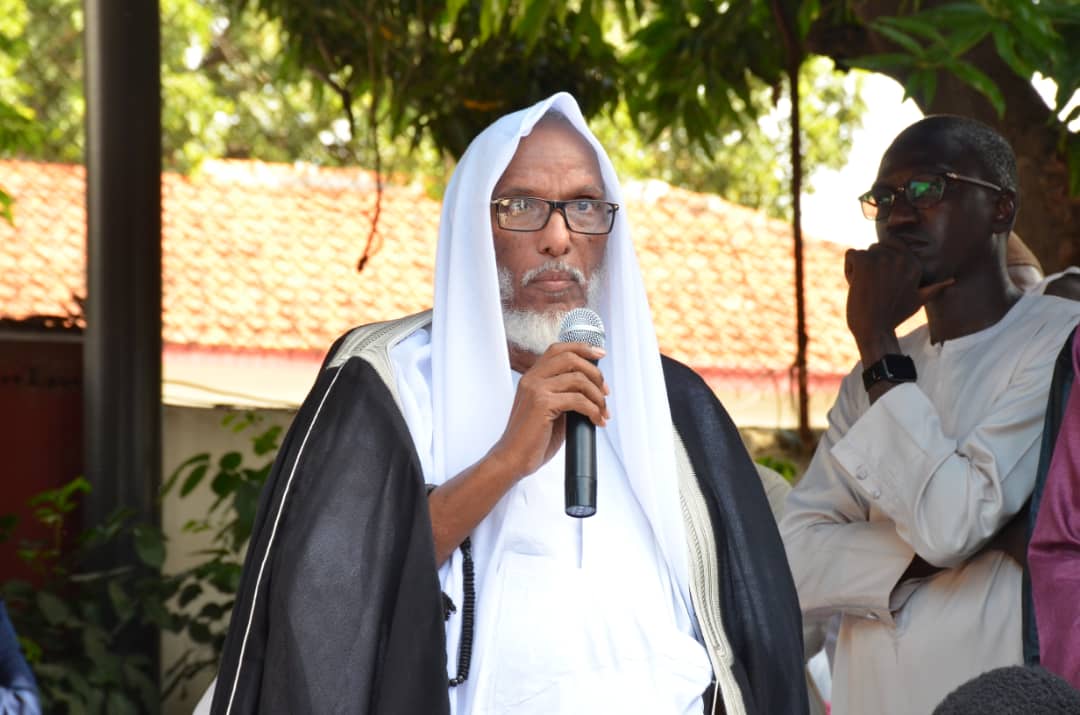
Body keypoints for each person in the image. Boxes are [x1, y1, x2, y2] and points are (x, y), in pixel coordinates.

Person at [206, 93, 807, 714]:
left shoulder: (676, 405)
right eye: (521, 207)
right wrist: (505, 463)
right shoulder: (389, 380)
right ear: (472, 225)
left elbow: (754, 627)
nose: (558, 237)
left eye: (583, 205)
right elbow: (327, 597)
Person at [779, 114, 1080, 715]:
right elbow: (791, 560)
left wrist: (876, 341)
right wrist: (964, 550)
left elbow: (948, 525)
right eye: (885, 198)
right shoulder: (871, 374)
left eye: (927, 189)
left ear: (1002, 209)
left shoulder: (1060, 344)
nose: (899, 216)